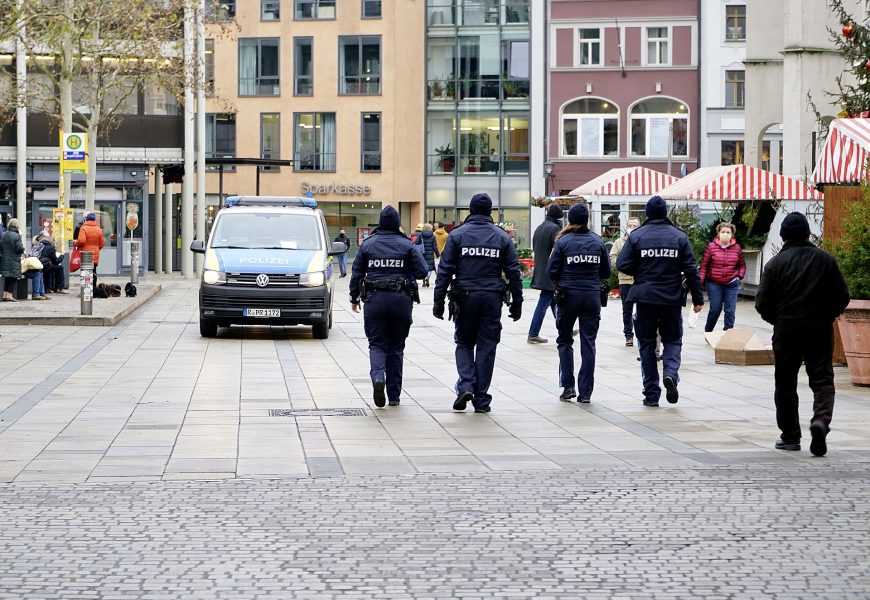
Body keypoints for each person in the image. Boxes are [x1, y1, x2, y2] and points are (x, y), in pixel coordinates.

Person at [755, 212, 850, 457]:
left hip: (787, 330)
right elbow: (842, 296)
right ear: (807, 233)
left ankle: (790, 436)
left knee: (785, 383)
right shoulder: (825, 260)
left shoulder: (774, 264)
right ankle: (820, 421)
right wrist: (827, 315)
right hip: (819, 329)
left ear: (783, 235)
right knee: (822, 380)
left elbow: (762, 303)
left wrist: (778, 319)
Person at [433, 192, 523, 414]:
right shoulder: (502, 237)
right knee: (486, 346)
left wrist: (438, 302)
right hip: (492, 297)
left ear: (470, 211)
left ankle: (465, 385)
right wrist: (517, 302)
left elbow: (444, 271)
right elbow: (514, 272)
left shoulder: (457, 235)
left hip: (464, 297)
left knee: (464, 342)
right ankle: (481, 399)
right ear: (490, 212)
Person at [616, 196, 703, 407]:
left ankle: (651, 393)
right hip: (671, 298)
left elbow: (622, 263)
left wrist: (642, 271)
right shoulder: (679, 236)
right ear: (666, 213)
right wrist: (698, 298)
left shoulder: (637, 236)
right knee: (672, 340)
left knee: (646, 344)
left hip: (645, 297)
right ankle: (671, 373)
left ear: (647, 214)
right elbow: (691, 268)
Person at [350, 206, 428, 408]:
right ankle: (393, 395)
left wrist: (354, 298)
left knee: (377, 344)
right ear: (397, 224)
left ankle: (378, 377)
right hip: (400, 300)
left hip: (375, 300)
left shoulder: (368, 245)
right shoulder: (407, 245)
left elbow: (357, 273)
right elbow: (423, 271)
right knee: (396, 347)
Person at [547, 204, 610, 403]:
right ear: (587, 220)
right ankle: (586, 392)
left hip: (568, 296)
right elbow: (606, 273)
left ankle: (567, 387)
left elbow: (552, 271)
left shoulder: (563, 241)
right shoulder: (597, 241)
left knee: (565, 341)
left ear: (570, 220)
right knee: (588, 343)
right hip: (591, 296)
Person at [700, 222, 746, 332]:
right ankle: (708, 331)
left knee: (730, 310)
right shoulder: (711, 247)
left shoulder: (737, 248)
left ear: (732, 234)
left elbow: (742, 265)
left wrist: (739, 276)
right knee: (715, 309)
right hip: (714, 283)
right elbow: (704, 267)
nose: (725, 234)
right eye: (723, 232)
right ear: (718, 233)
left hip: (731, 283)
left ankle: (728, 334)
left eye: (728, 232)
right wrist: (699, 283)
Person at [527, 204, 563, 344]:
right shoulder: (554, 228)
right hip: (550, 273)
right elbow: (558, 250)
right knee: (544, 302)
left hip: (541, 271)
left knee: (555, 302)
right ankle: (533, 333)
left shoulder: (540, 227)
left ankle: (564, 328)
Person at [609, 216, 641, 346]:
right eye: (630, 225)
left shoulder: (642, 240)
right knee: (627, 310)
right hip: (625, 280)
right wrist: (619, 265)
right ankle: (629, 335)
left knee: (641, 310)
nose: (632, 228)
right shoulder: (619, 242)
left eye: (635, 226)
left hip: (639, 280)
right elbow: (612, 256)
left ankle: (641, 333)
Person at [75, 211, 104, 289]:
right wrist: (96, 249)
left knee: (85, 271)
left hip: (85, 254)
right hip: (95, 253)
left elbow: (81, 241)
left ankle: (86, 289)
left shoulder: (83, 228)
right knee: (93, 271)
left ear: (86, 219)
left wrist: (75, 243)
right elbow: (101, 244)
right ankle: (94, 289)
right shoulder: (99, 230)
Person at [1, 218, 25, 303]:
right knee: (13, 278)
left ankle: (5, 295)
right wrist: (23, 250)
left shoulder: (4, 234)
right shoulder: (16, 235)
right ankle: (10, 296)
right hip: (14, 259)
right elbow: (19, 248)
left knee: (7, 278)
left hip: (5, 259)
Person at [414, 223, 439, 287]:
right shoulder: (433, 236)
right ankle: (427, 277)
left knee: (423, 267)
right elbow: (435, 247)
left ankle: (424, 280)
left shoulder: (420, 235)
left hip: (422, 254)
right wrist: (438, 254)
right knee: (429, 268)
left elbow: (415, 244)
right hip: (430, 255)